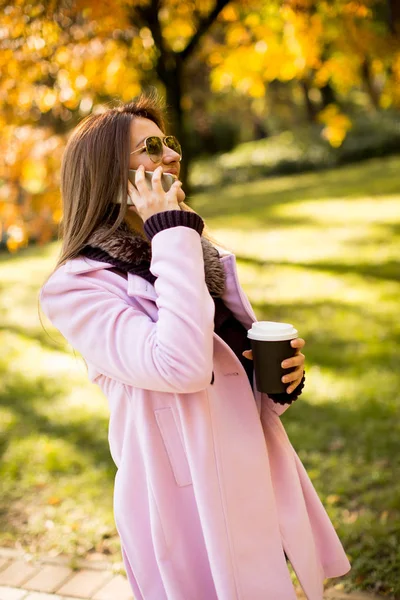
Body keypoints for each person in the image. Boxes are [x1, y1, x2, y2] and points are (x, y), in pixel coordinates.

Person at [39, 92, 351, 600]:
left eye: (170, 143)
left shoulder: (192, 255)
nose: (172, 156)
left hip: (249, 474)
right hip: (182, 502)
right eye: (151, 147)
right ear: (105, 174)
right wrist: (171, 231)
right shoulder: (77, 286)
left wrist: (279, 382)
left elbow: (229, 375)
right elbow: (179, 366)